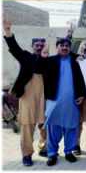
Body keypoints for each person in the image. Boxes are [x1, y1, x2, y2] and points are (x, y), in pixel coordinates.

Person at [30, 37, 86, 166]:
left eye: (67, 45)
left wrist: (81, 95)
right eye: (62, 45)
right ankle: (52, 154)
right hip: (54, 101)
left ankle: (68, 152)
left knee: (71, 128)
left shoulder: (74, 62)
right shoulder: (50, 60)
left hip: (71, 102)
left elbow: (80, 79)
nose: (64, 47)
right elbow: (37, 68)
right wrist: (42, 56)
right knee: (53, 129)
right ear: (57, 47)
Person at [3, 20, 48, 166]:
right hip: (27, 96)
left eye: (42, 45)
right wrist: (8, 32)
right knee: (27, 126)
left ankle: (44, 148)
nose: (39, 47)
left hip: (44, 96)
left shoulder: (48, 60)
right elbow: (14, 48)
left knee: (45, 125)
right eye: (37, 45)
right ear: (32, 46)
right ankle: (27, 154)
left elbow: (66, 54)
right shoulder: (25, 56)